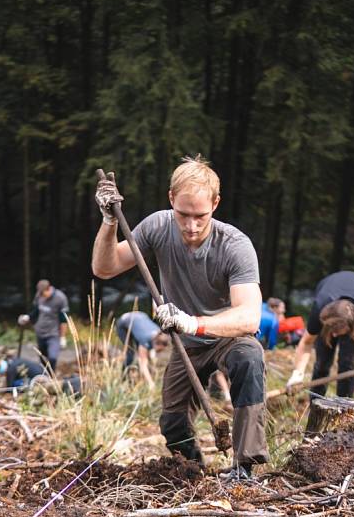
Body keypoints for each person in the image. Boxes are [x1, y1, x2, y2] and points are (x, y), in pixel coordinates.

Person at [92, 157, 269, 483]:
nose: (190, 226)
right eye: (183, 215)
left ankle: (245, 468)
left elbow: (249, 316)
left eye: (200, 216)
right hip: (185, 344)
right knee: (172, 423)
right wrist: (108, 222)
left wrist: (194, 323)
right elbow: (105, 268)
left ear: (215, 204)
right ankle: (195, 473)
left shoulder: (234, 246)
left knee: (249, 357)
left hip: (223, 335)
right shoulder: (158, 227)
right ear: (171, 198)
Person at [287, 271, 354, 398]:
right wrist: (297, 374)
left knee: (347, 364)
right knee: (322, 364)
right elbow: (306, 342)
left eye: (336, 332)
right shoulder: (320, 310)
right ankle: (315, 406)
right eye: (332, 332)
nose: (334, 336)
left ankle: (345, 407)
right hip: (328, 302)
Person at [18, 279, 69, 370]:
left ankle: (51, 377)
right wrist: (28, 317)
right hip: (40, 332)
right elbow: (36, 311)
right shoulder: (39, 296)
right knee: (43, 358)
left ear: (49, 289)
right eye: (40, 294)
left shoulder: (60, 298)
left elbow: (64, 319)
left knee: (52, 358)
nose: (42, 296)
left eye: (43, 293)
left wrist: (63, 337)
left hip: (53, 334)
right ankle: (45, 378)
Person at [116, 310, 170, 389]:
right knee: (130, 354)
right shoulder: (145, 339)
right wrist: (151, 383)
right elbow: (143, 364)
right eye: (159, 350)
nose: (159, 352)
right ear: (156, 344)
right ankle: (124, 379)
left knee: (140, 350)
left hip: (140, 315)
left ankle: (140, 375)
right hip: (123, 323)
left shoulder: (159, 333)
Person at [0, 355, 81, 395]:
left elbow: (9, 389)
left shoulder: (11, 370)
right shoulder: (13, 361)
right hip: (42, 372)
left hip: (39, 379)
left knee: (16, 384)